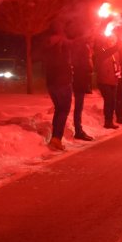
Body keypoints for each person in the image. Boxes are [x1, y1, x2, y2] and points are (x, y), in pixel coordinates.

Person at [42, 20, 78, 151]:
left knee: (59, 109)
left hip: (51, 82)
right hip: (62, 81)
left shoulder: (47, 44)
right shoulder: (62, 44)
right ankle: (56, 139)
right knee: (63, 110)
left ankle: (55, 138)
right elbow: (74, 44)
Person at [94, 35, 122, 130]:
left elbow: (117, 65)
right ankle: (107, 121)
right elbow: (103, 56)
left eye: (114, 40)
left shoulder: (116, 52)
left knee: (112, 101)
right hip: (104, 80)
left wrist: (118, 74)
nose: (112, 41)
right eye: (110, 40)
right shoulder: (102, 50)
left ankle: (110, 121)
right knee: (108, 100)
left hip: (113, 80)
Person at [70, 34, 94, 141]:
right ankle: (78, 131)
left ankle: (78, 130)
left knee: (79, 107)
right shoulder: (82, 48)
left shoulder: (80, 47)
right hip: (79, 80)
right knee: (78, 107)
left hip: (79, 80)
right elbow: (84, 65)